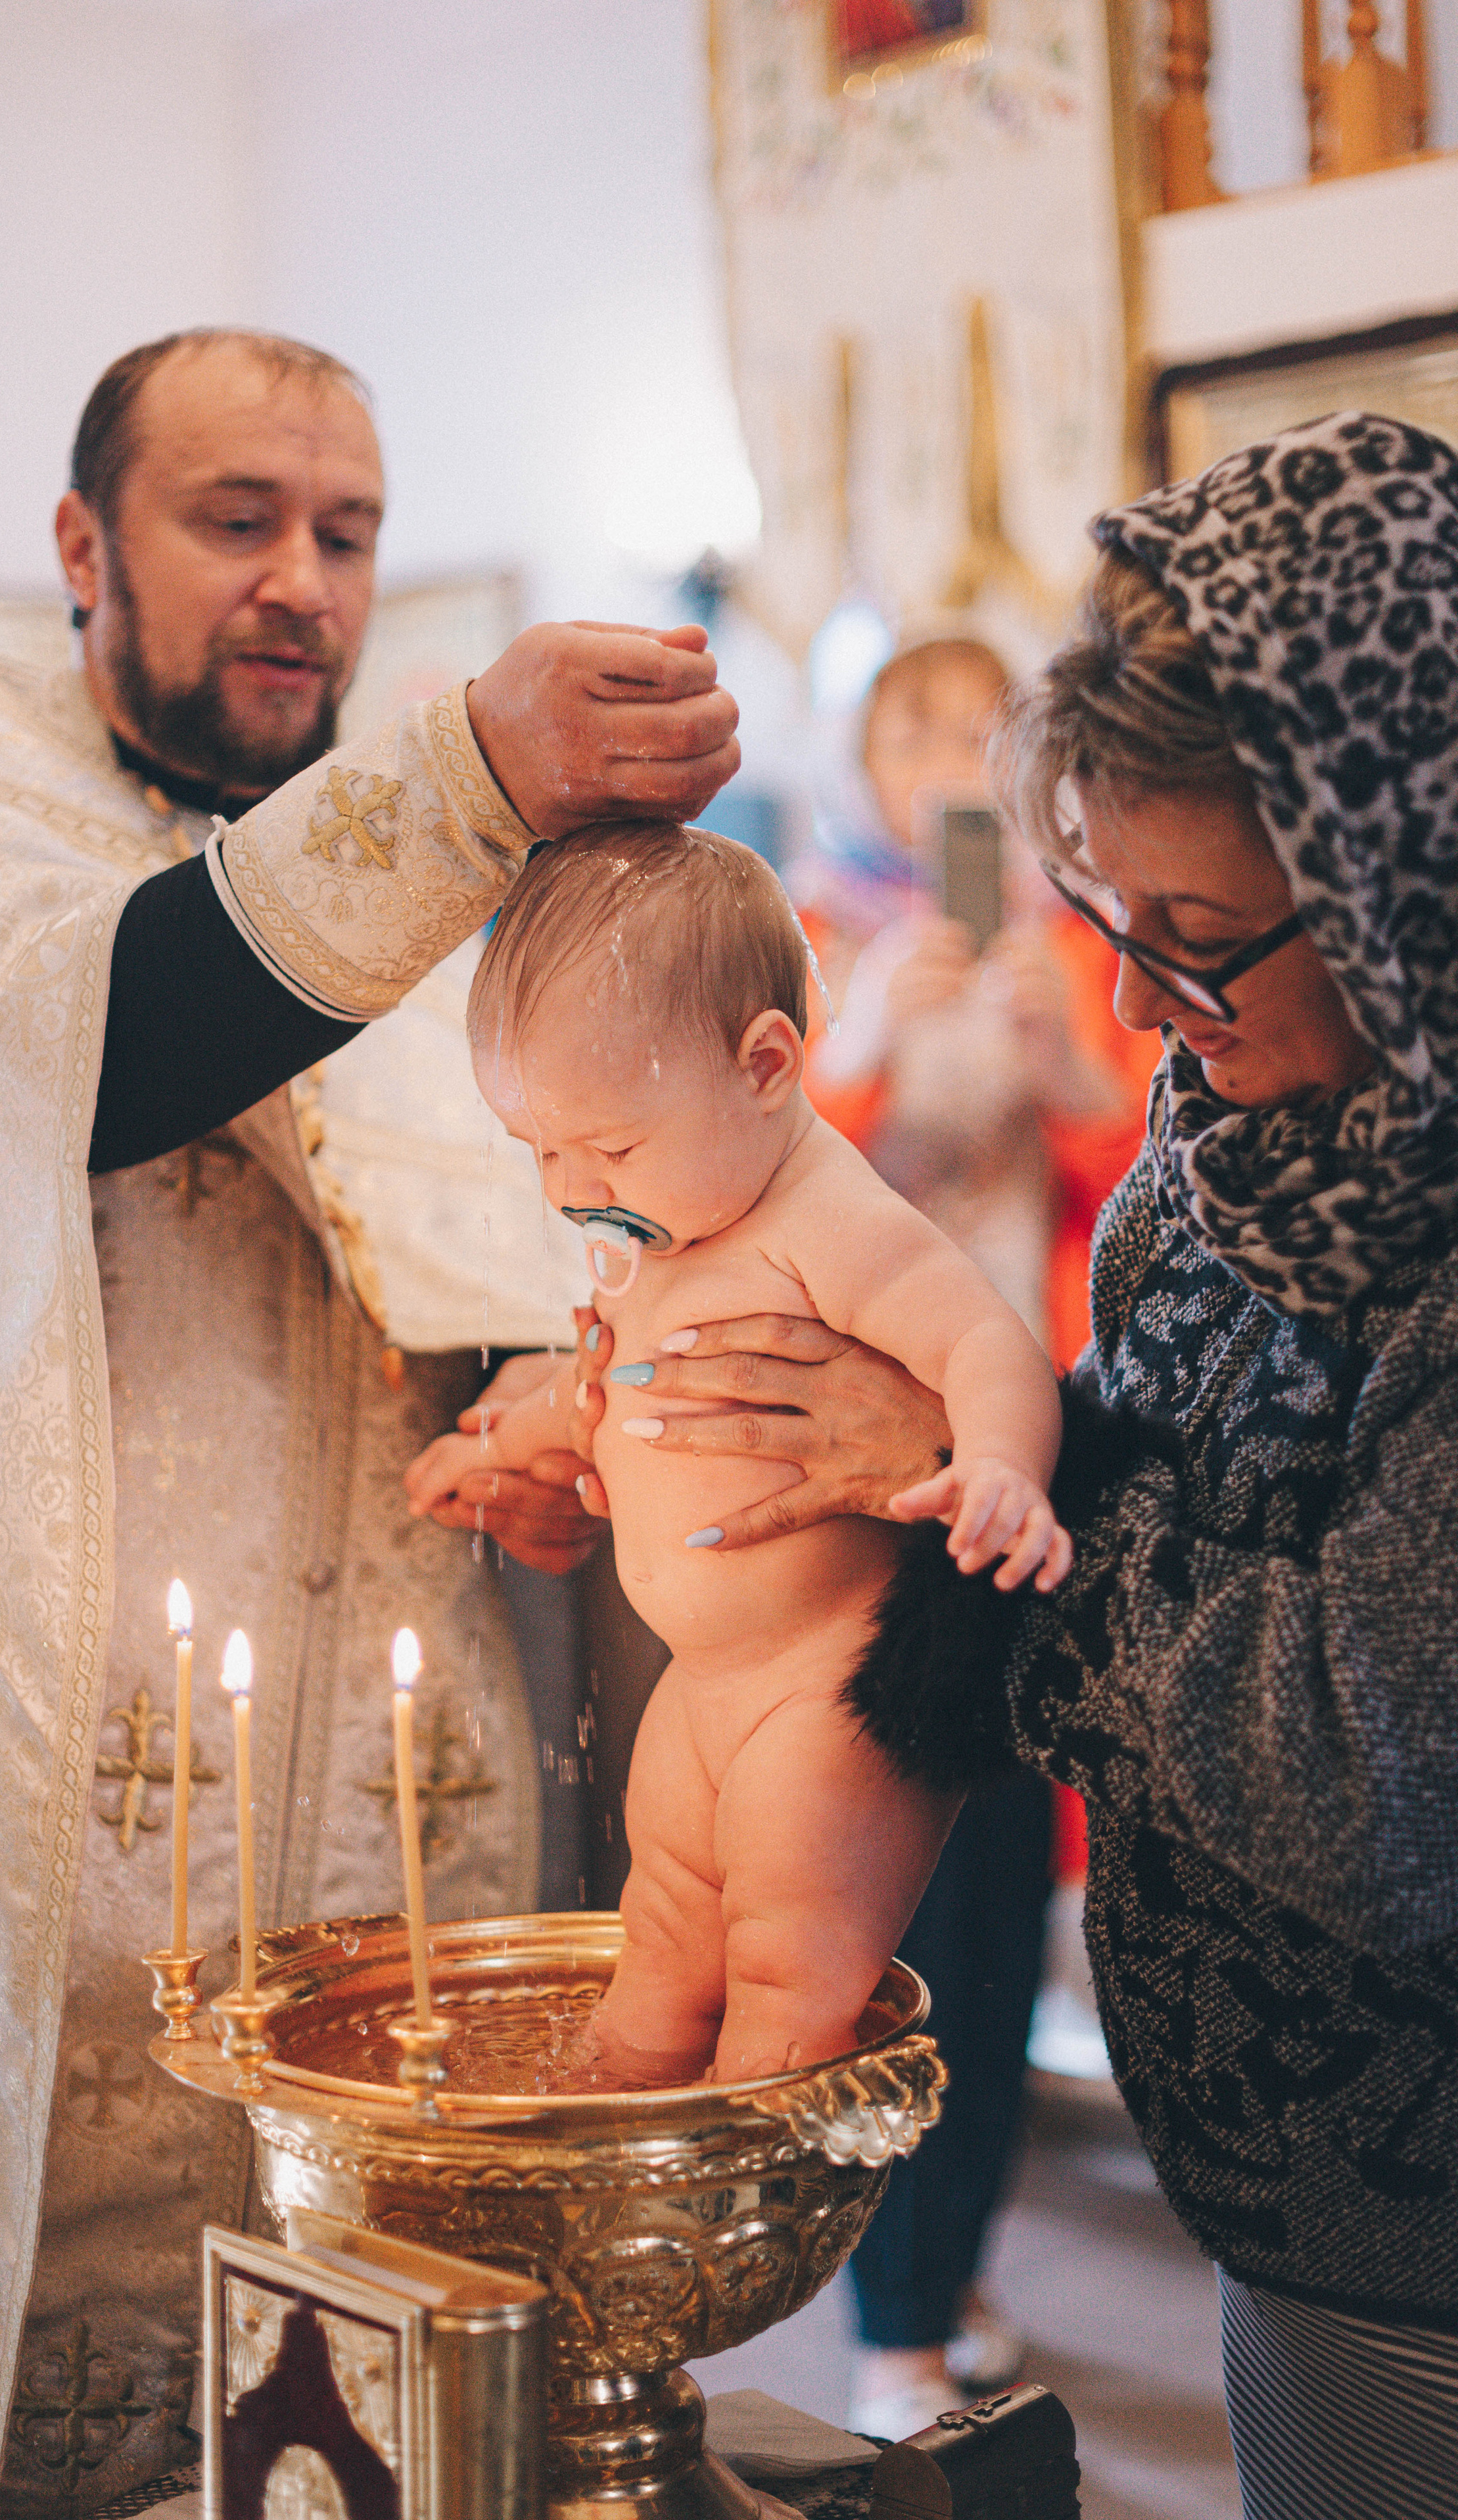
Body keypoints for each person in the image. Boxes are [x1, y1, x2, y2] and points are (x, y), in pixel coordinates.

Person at [0, 327, 738, 2520]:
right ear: (79, 545)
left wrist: (557, 1400)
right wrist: (468, 774)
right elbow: (104, 1043)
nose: (302, 580)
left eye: (347, 533)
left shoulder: (394, 870)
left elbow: (506, 1231)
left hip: (390, 1837)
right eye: (237, 524)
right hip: (61, 1860)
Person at [571, 412, 1458, 2515]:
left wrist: (996, 1518)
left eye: (1207, 932)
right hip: (1294, 2217)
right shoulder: (1232, 1132)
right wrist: (711, 1451)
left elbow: (1381, 1774)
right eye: (1109, 915)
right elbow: (1142, 1458)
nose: (1146, 999)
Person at [406, 822, 1068, 2082]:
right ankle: (627, 2190)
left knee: (786, 1979)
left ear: (765, 1064)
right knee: (653, 1950)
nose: (568, 1187)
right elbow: (638, 1396)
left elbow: (991, 1344)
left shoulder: (830, 1218)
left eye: (606, 1146)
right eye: (539, 1150)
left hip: (824, 1689)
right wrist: (512, 1434)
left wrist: (998, 1465)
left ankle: (749, 2192)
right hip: (701, 1686)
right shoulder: (669, 1220)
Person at [804, 636, 1156, 2433]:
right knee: (899, 1895)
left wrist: (1076, 1077)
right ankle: (894, 2312)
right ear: (863, 758)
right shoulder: (806, 938)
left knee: (1008, 1906)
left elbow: (1160, 1211)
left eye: (975, 727)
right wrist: (858, 1052)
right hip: (887, 1479)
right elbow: (754, 1198)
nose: (944, 755)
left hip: (1057, 1456)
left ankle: (951, 2269)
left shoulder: (1089, 947)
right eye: (913, 726)